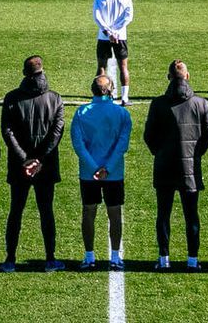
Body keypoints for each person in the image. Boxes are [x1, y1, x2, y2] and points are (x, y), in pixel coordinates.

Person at [145, 59, 208, 271]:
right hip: (190, 167)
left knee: (163, 215)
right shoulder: (201, 103)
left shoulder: (158, 104)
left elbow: (149, 136)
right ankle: (192, 260)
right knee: (191, 215)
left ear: (169, 77)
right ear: (187, 76)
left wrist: (160, 152)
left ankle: (163, 258)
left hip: (164, 166)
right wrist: (196, 154)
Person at [1, 56, 65, 271]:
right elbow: (56, 133)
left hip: (19, 166)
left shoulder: (12, 98)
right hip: (45, 166)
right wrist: (40, 159)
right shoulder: (55, 98)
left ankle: (10, 259)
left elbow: (7, 132)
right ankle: (50, 258)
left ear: (24, 73)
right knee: (46, 211)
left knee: (15, 211)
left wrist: (25, 159)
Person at [73, 73, 133, 270]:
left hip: (88, 173)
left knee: (88, 211)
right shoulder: (122, 114)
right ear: (111, 90)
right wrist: (107, 168)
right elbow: (122, 145)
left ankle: (89, 256)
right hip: (114, 173)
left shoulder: (81, 113)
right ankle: (115, 257)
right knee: (114, 213)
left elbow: (79, 145)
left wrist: (94, 168)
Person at [94, 0, 135, 105]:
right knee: (123, 67)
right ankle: (125, 98)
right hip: (120, 36)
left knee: (101, 66)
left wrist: (108, 32)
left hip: (104, 36)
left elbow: (97, 17)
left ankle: (100, 96)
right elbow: (128, 17)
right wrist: (116, 31)